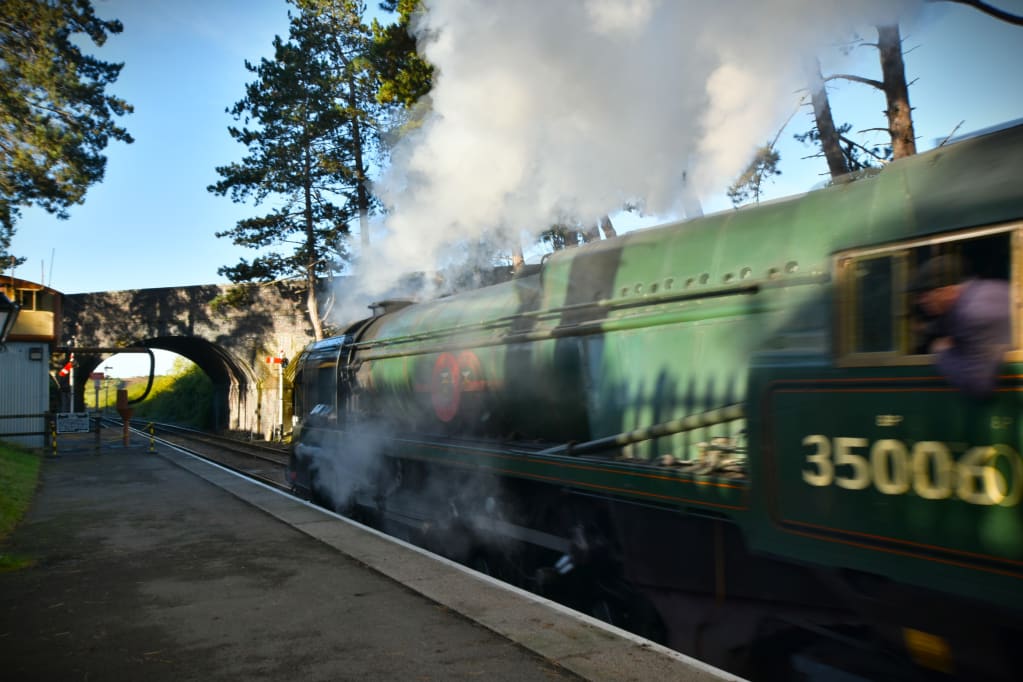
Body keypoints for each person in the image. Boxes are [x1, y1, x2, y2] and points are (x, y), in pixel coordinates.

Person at [909, 255, 1011, 397]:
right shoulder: (986, 291)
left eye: (925, 294)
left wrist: (943, 352)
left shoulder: (973, 314)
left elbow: (977, 384)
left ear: (946, 290)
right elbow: (951, 322)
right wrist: (924, 328)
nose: (921, 301)